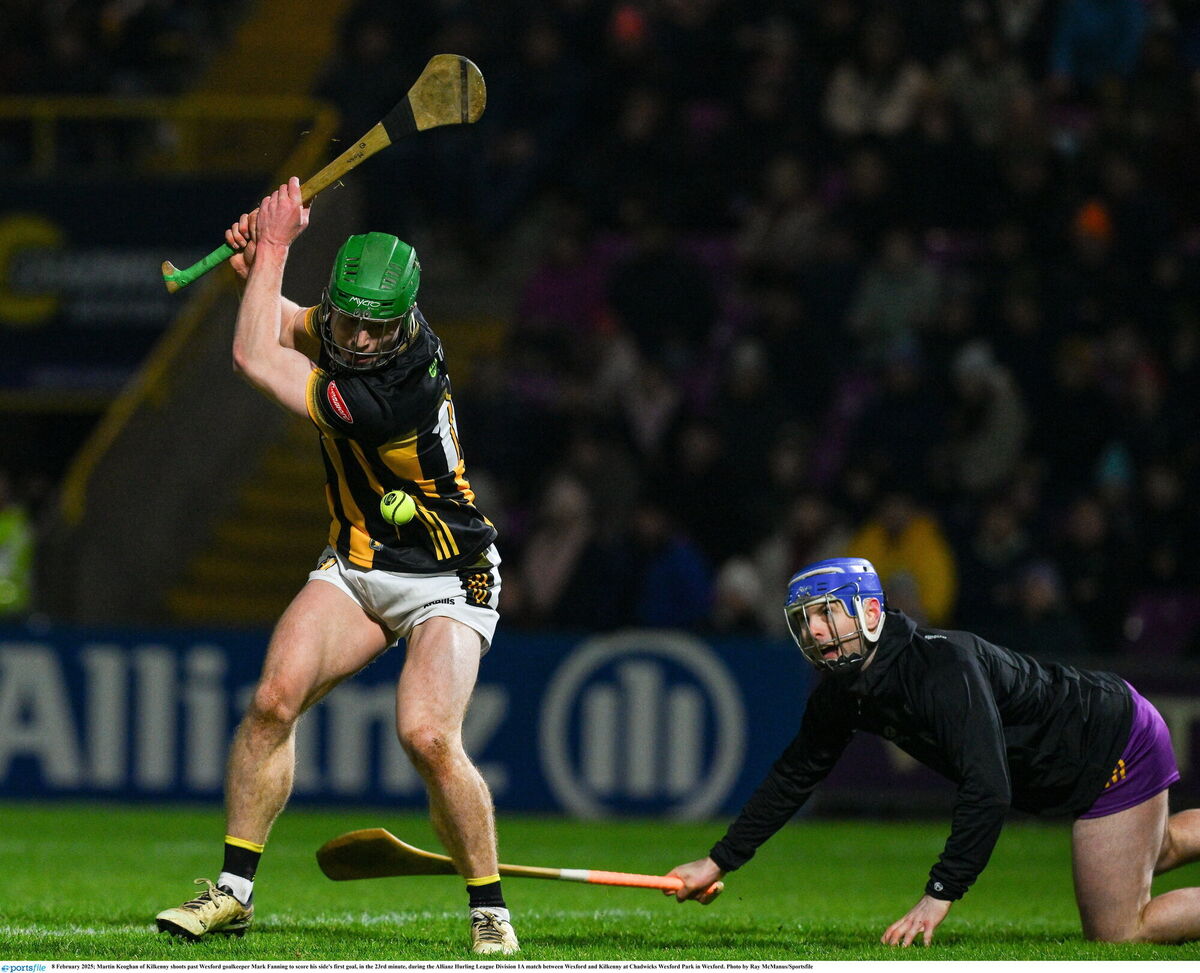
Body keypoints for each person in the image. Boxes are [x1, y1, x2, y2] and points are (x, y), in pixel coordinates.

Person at [154, 178, 518, 955]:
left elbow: (256, 354)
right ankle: (232, 892)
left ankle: (489, 909)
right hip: (357, 555)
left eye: (370, 329)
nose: (353, 339)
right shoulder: (357, 322)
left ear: (405, 319)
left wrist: (277, 246)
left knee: (424, 734)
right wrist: (257, 270)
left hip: (447, 572)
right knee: (273, 700)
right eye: (345, 321)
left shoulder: (396, 386)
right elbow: (286, 323)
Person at [666, 556, 1200, 945]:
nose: (815, 629)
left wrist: (939, 892)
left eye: (827, 612)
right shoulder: (844, 692)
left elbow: (988, 787)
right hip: (1081, 750)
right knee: (1162, 848)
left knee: (1119, 933)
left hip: (1109, 743)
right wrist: (719, 861)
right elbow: (794, 776)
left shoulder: (942, 669)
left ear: (871, 612)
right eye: (805, 619)